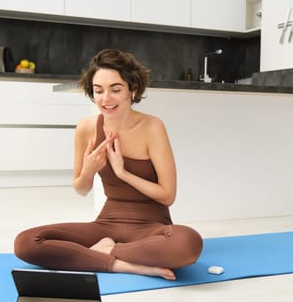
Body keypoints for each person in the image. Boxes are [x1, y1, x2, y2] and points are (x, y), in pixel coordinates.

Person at [14, 49, 203, 280]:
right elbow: (81, 189)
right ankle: (125, 265)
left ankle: (106, 252)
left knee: (187, 243)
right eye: (98, 90)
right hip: (107, 225)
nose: (106, 99)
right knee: (26, 242)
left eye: (115, 89)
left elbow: (167, 195)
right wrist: (89, 170)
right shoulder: (87, 128)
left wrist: (122, 173)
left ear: (131, 90)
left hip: (151, 227)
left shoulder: (152, 127)